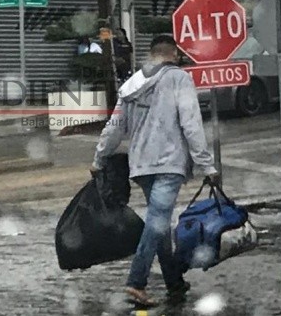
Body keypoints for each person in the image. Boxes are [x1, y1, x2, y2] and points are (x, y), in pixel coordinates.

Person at [92, 35, 219, 307]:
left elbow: (114, 128)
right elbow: (191, 124)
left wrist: (99, 158)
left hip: (140, 165)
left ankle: (173, 281)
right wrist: (206, 164)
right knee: (157, 222)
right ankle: (136, 281)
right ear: (173, 54)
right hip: (169, 163)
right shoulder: (179, 79)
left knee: (159, 223)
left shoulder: (132, 83)